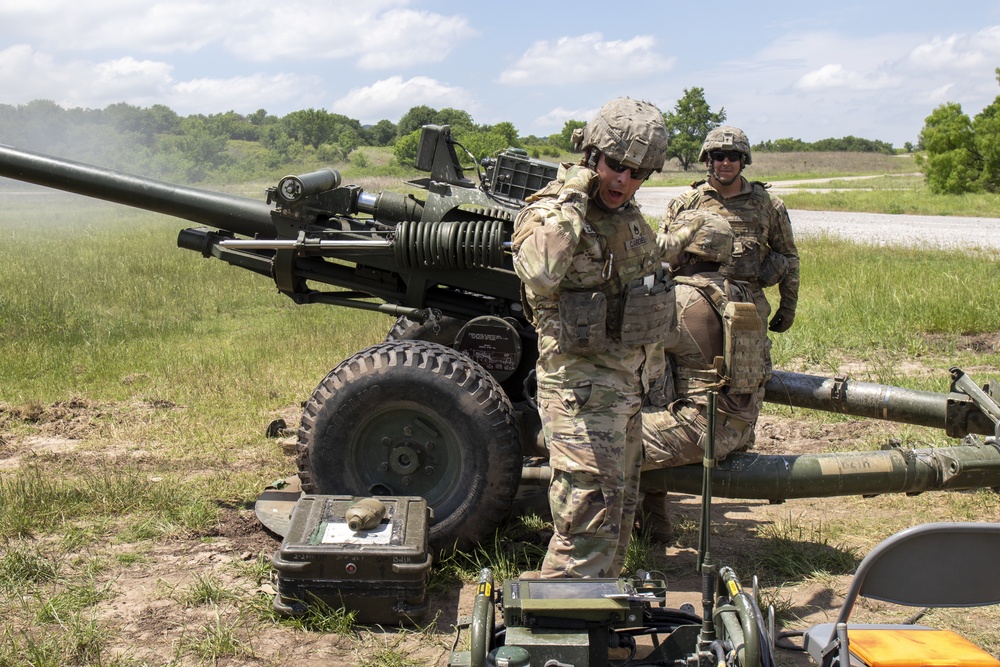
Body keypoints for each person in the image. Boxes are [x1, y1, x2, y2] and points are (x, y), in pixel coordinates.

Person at [511, 98, 702, 578]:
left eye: (638, 173)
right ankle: (557, 639)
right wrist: (574, 191)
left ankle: (593, 622)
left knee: (615, 522)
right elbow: (540, 271)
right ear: (591, 156)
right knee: (585, 533)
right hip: (581, 393)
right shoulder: (553, 210)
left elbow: (643, 270)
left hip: (627, 392)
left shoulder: (627, 214)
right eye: (615, 166)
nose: (624, 181)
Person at [640, 210, 768, 542]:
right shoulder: (741, 293)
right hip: (739, 424)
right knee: (650, 412)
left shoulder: (680, 300)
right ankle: (653, 527)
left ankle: (599, 545)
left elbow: (632, 347)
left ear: (685, 252)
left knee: (601, 443)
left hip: (703, 429)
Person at [664, 126, 799, 339]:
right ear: (709, 160)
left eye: (733, 156)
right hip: (695, 305)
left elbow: (789, 256)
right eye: (719, 156)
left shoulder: (768, 204)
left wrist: (788, 306)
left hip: (748, 306)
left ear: (742, 161)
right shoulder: (686, 203)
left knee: (749, 368)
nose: (726, 162)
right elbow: (662, 257)